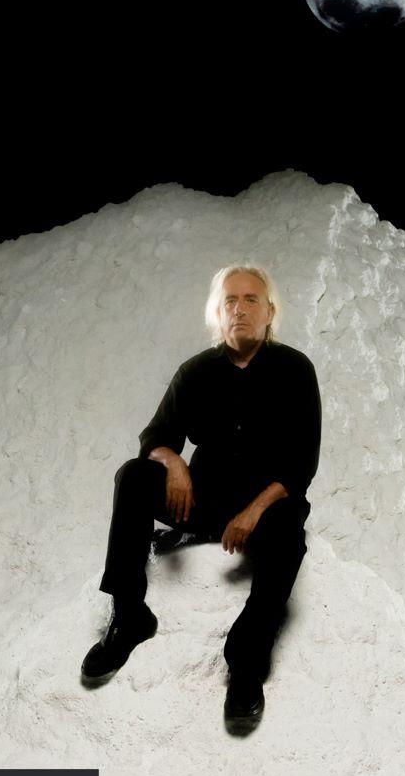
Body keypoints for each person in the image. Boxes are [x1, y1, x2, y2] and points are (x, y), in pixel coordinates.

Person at [82, 263, 322, 729]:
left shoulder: (295, 369)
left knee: (289, 529)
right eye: (230, 300)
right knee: (133, 475)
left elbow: (301, 465)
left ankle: (246, 662)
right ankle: (129, 616)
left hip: (266, 511)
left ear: (270, 312)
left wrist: (252, 512)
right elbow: (155, 435)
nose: (240, 309)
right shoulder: (195, 371)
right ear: (218, 312)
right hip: (203, 501)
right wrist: (173, 462)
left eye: (251, 299)